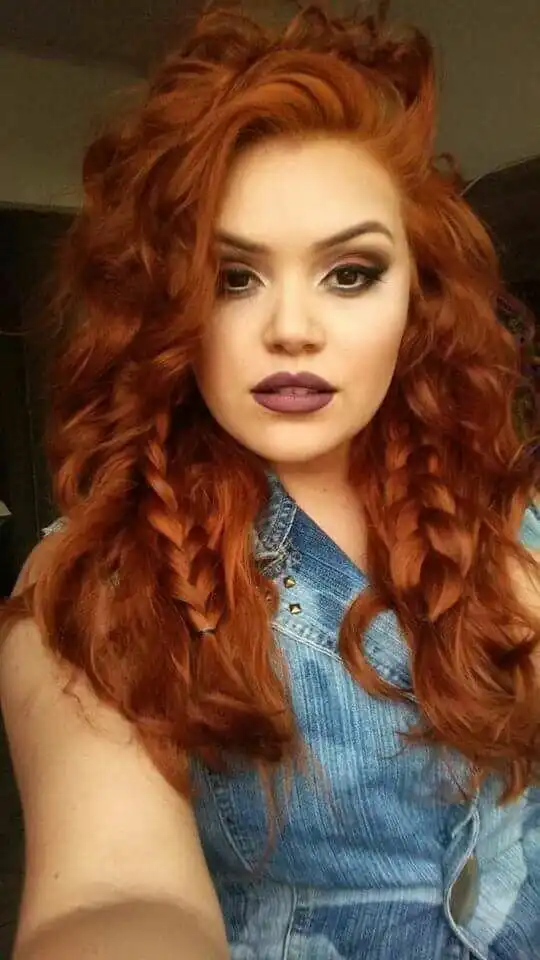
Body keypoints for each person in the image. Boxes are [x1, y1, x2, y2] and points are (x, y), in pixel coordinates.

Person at [1, 5, 539, 959]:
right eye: (233, 277)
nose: (293, 328)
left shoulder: (510, 505)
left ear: (416, 298)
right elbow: (112, 893)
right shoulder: (96, 579)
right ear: (167, 307)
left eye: (350, 273)